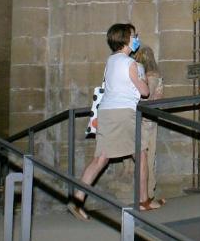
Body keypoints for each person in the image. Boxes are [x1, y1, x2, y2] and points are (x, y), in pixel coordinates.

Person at [68, 23, 159, 221]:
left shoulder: (111, 61)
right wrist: (142, 79)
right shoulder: (130, 64)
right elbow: (145, 92)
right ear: (126, 39)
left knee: (100, 158)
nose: (137, 38)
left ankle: (76, 199)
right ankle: (143, 202)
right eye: (134, 35)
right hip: (123, 114)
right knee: (141, 155)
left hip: (106, 113)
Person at [133, 45, 166, 208]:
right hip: (152, 119)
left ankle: (146, 194)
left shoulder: (149, 75)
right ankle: (147, 193)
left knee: (144, 157)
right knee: (147, 156)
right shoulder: (157, 75)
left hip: (144, 120)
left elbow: (147, 97)